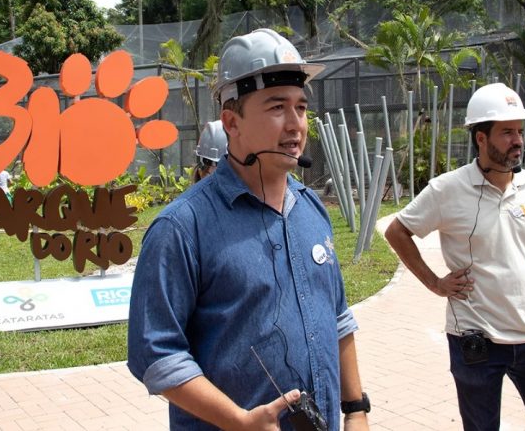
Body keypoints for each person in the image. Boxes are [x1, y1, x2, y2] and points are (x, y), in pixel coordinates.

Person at [128, 28, 370, 431]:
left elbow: (338, 318)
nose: (295, 125)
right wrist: (239, 420)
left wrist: (356, 409)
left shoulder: (311, 209)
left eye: (301, 108)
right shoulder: (181, 227)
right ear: (232, 121)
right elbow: (156, 354)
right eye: (277, 107)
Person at [384, 82, 525, 430]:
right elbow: (397, 231)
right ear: (480, 138)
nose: (517, 140)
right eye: (506, 133)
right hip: (475, 341)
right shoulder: (447, 189)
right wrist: (435, 283)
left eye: (519, 131)